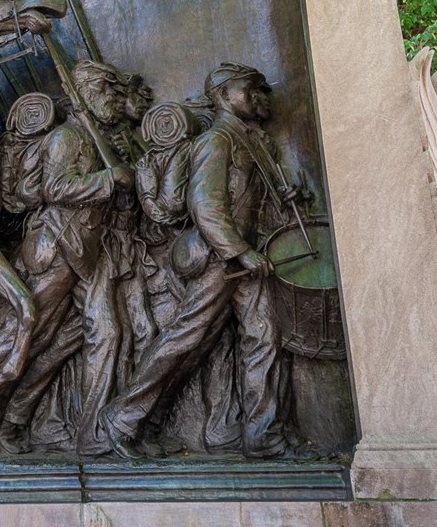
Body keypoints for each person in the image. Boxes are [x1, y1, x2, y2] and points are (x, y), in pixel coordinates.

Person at [101, 63, 301, 458]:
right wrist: (239, 251)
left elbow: (251, 204)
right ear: (225, 95)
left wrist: (285, 201)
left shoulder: (253, 141)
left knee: (263, 337)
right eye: (251, 89)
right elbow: (205, 204)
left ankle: (263, 435)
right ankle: (123, 418)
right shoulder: (216, 141)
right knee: (185, 339)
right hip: (220, 258)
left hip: (247, 260)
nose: (260, 96)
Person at [0, 61, 132, 455]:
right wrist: (108, 179)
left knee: (77, 337)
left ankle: (18, 418)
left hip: (87, 255)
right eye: (110, 93)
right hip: (59, 247)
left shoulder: (96, 139)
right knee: (23, 332)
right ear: (90, 95)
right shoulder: (67, 137)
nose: (115, 102)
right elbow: (56, 187)